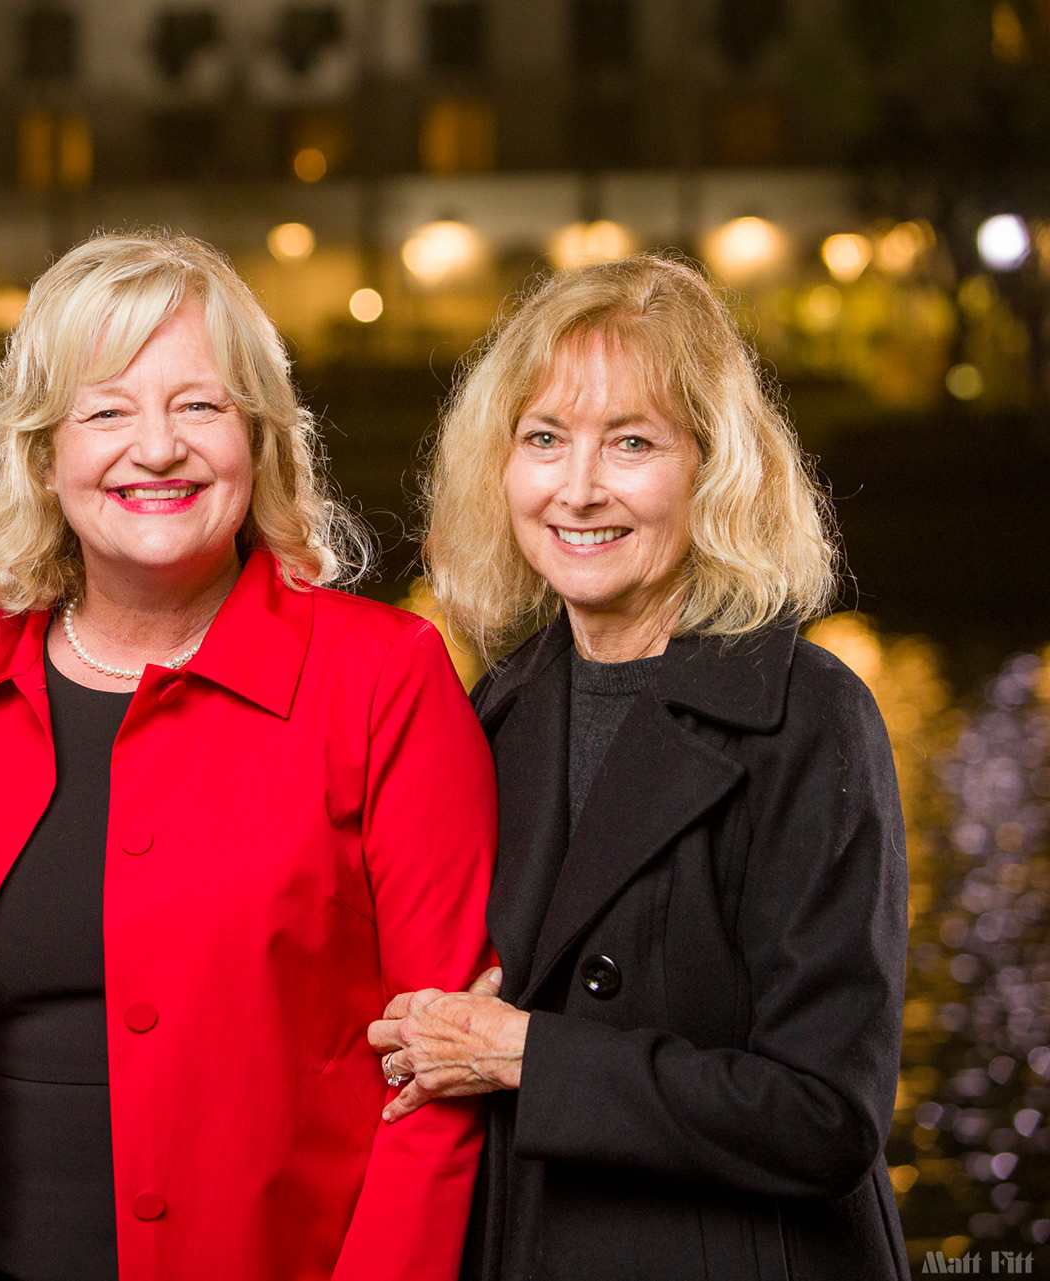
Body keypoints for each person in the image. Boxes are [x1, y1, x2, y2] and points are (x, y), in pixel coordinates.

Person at [0, 231, 498, 1281]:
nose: (155, 449)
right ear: (41, 452)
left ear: (261, 440)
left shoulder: (383, 677)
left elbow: (444, 1081)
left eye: (200, 407)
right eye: (106, 411)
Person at [370, 253, 910, 1280]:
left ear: (713, 468)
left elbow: (827, 1114)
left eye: (631, 442)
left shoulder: (811, 718)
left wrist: (524, 1055)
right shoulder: (497, 705)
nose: (578, 488)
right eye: (543, 440)